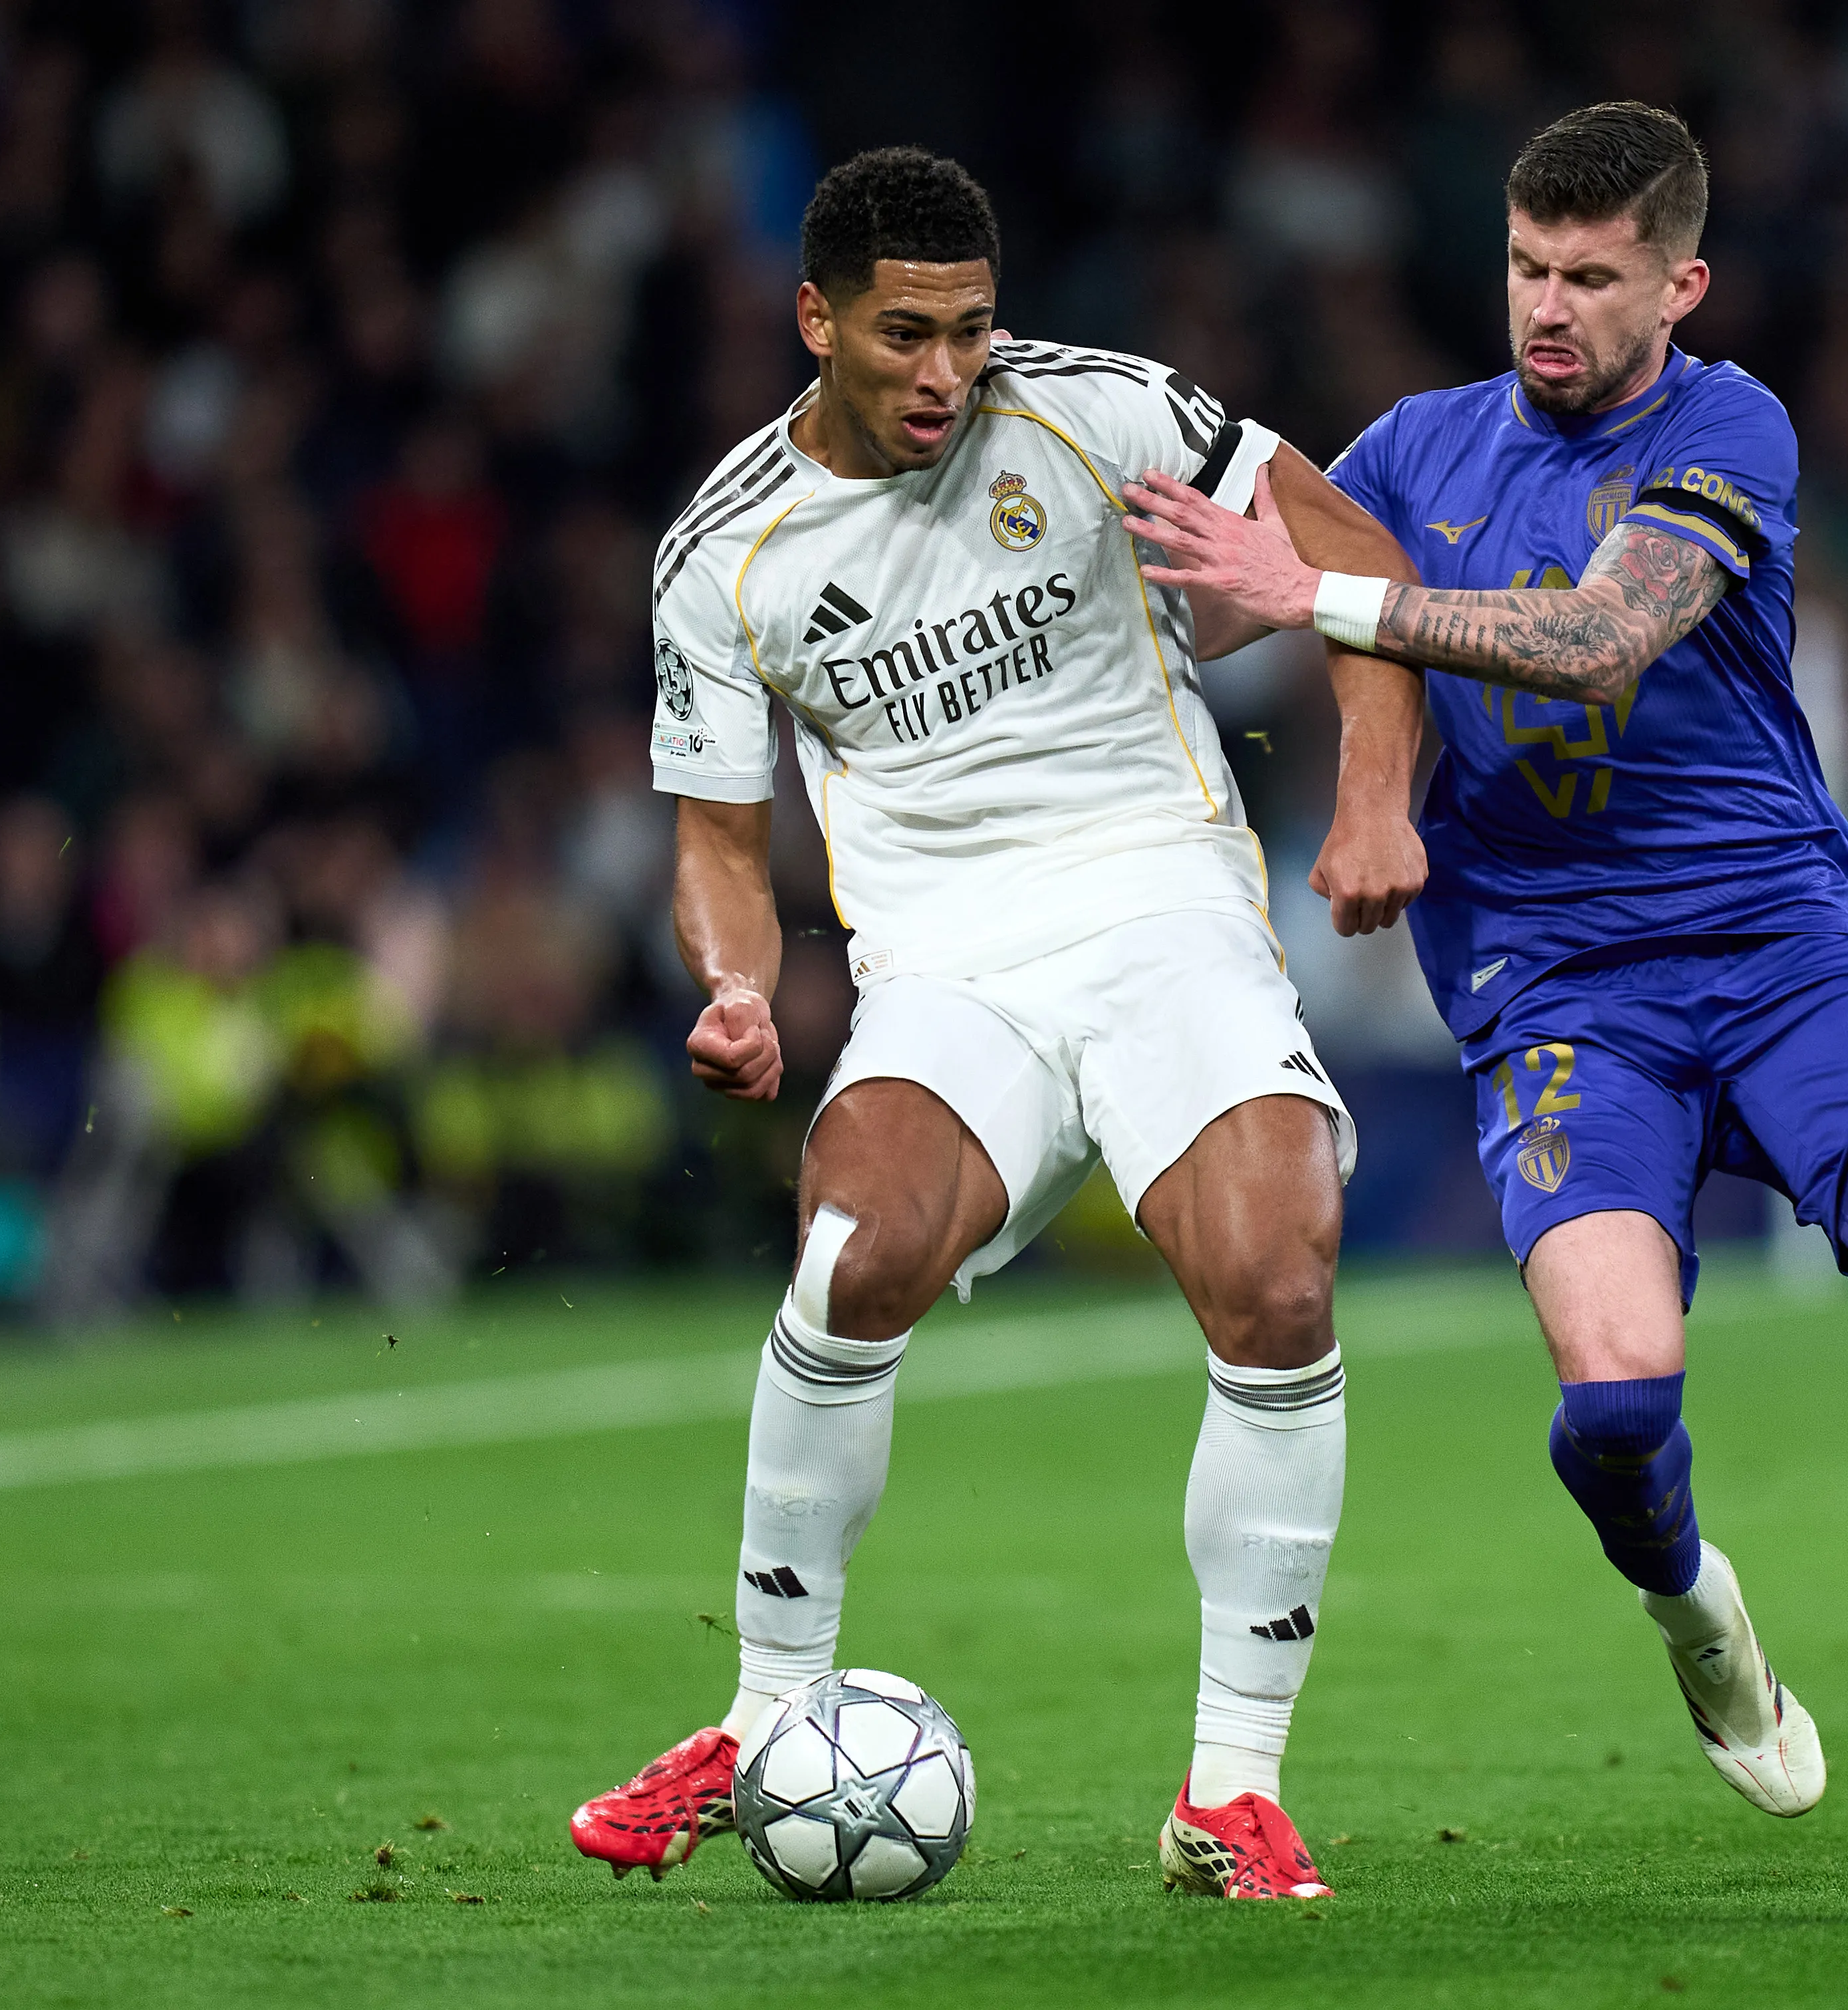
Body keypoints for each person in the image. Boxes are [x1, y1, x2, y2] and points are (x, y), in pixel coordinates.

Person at [1124, 102, 1848, 1896]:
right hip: (1559, 995)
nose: (1549, 305)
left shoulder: (1727, 423)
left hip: (1782, 958)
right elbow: (1234, 602)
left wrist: (1330, 594)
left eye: (1592, 277)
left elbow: (1597, 643)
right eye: (1527, 266)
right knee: (1613, 1405)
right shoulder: (1409, 451)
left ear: (1677, 285)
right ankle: (1694, 1603)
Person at [569, 147, 1424, 1903]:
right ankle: (758, 1718)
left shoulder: (1098, 413)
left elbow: (1349, 546)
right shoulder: (723, 551)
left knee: (1277, 1274)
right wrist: (736, 982)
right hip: (945, 964)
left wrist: (1373, 794)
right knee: (845, 1251)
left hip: (1162, 909)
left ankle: (1229, 1791)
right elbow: (720, 843)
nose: (947, 371)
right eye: (903, 334)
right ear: (816, 320)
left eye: (969, 327)